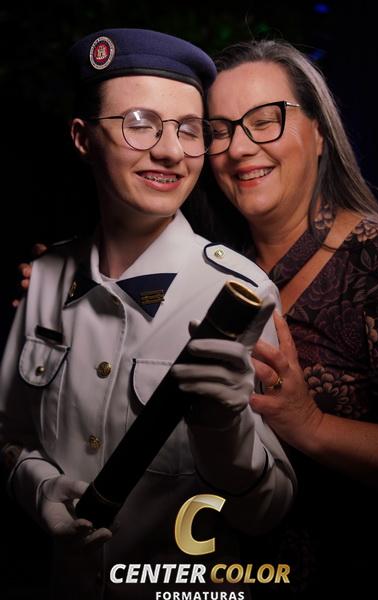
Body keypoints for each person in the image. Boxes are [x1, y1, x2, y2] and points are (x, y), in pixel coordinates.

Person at [0, 30, 296, 600]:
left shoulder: (240, 293)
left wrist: (225, 428)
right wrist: (40, 489)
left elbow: (267, 513)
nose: (170, 151)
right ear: (83, 138)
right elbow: (10, 434)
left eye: (189, 129)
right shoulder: (45, 278)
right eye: (140, 123)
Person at [201, 39, 378, 595]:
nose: (240, 148)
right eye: (219, 130)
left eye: (264, 121)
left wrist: (311, 425)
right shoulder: (211, 270)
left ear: (318, 134)